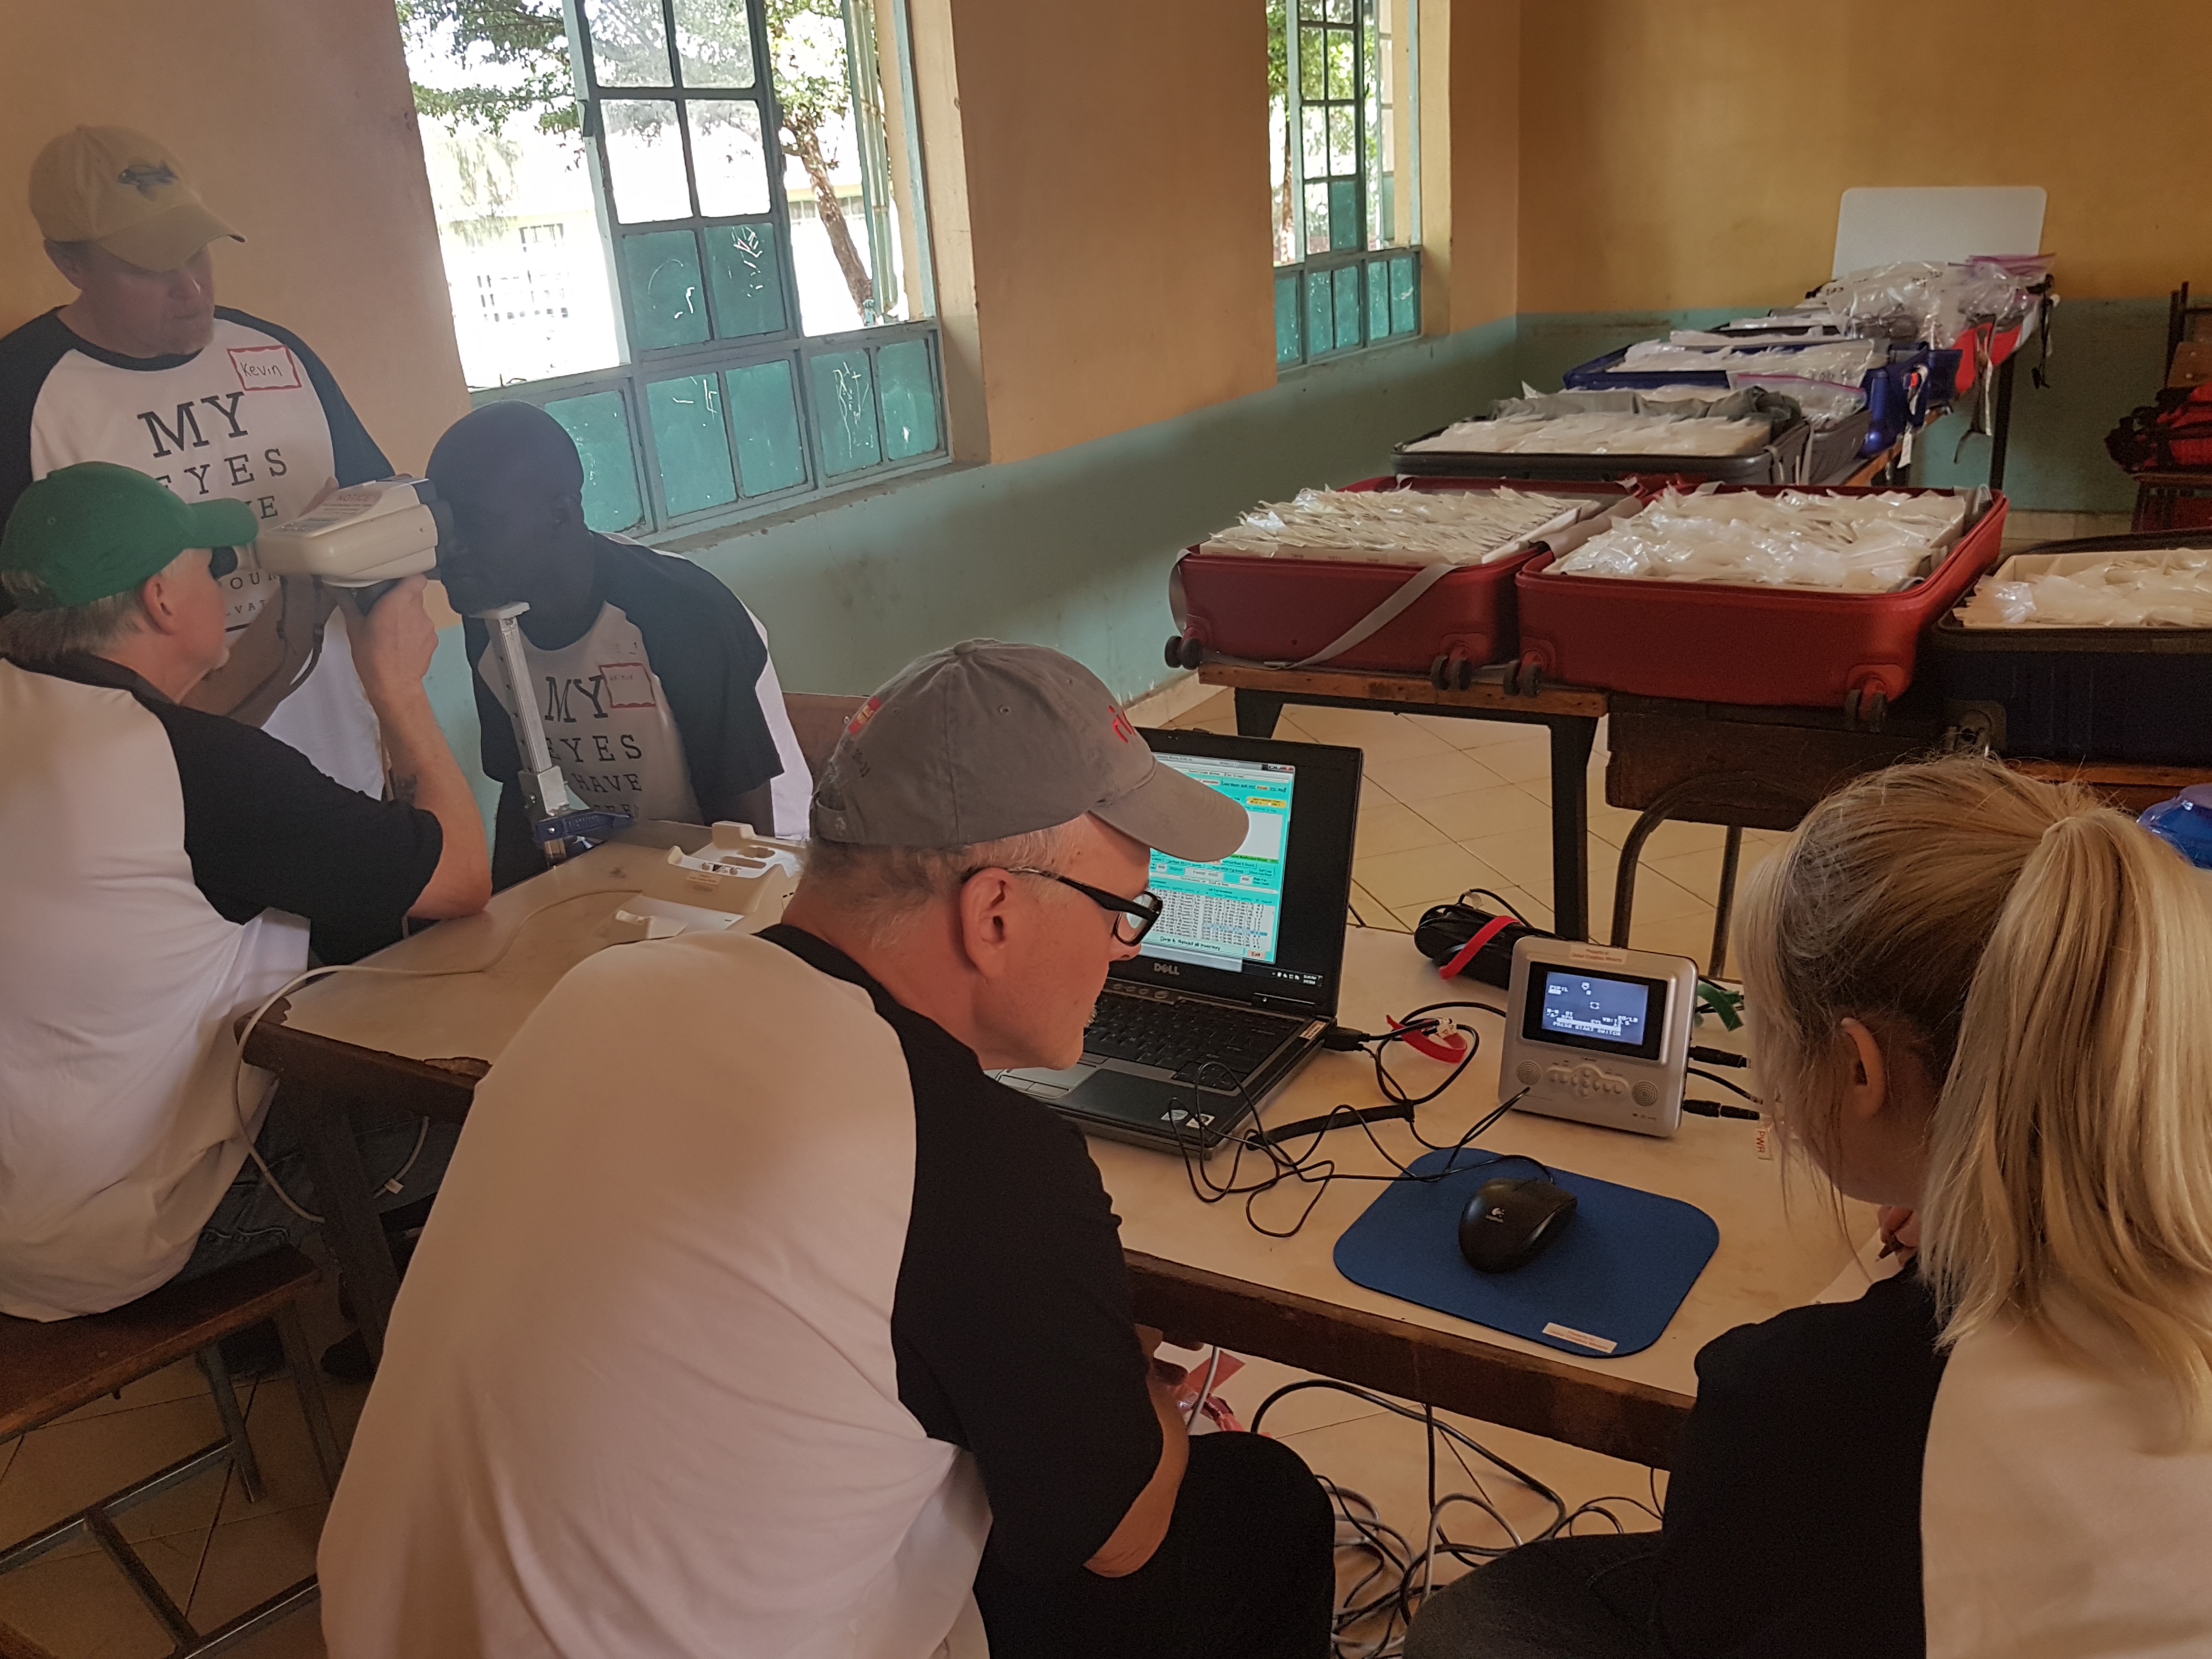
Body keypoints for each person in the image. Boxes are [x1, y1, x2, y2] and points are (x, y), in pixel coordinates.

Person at [317, 641, 1336, 1658]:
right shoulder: (970, 1157)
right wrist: (1132, 1377)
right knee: (1262, 1501)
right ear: (993, 912)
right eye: (1126, 915)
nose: (1126, 952)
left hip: (383, 1629)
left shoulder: (603, 990)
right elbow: (1123, 1536)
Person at [1405, 756, 2212, 1659]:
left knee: (1480, 1622)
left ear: (1861, 1069)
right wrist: (1970, 1196)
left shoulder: (1801, 1406)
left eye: (1775, 1032)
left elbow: (1698, 1630)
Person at [0, 462, 490, 1327]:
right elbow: (458, 878)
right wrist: (397, 688)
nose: (226, 583)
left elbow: (181, 733)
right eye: (210, 566)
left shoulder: (43, 713)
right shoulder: (199, 773)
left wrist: (295, 619)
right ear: (161, 599)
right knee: (507, 1106)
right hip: (112, 1234)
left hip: (21, 1211)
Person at [0, 125, 392, 806]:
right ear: (69, 263)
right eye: (149, 267)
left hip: (338, 767)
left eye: (196, 252)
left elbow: (380, 518)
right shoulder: (19, 392)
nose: (190, 287)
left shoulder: (276, 355)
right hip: (151, 802)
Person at [426, 400, 801, 888]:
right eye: (442, 525)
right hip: (640, 857)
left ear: (560, 514)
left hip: (771, 862)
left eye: (473, 524)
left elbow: (743, 847)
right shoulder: (493, 614)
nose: (449, 548)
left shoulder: (682, 614)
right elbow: (523, 795)